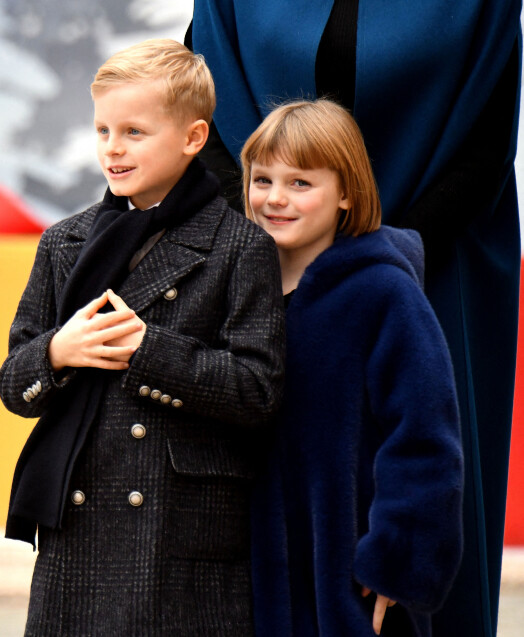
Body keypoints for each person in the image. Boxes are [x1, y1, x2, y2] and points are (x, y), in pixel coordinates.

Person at [189, 3, 521, 635]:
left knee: (413, 465)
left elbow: (483, 148)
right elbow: (202, 118)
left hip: (434, 265)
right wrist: (270, 243)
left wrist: (377, 259)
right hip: (264, 263)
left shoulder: (485, 7)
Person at [0, 38, 285, 636]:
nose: (113, 149)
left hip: (183, 540)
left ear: (193, 138)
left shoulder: (240, 246)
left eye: (134, 131)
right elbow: (10, 383)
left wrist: (149, 350)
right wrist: (57, 352)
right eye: (103, 130)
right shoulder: (64, 243)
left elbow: (259, 391)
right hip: (76, 532)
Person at [241, 99, 463, 636]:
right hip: (248, 583)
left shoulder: (385, 293)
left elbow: (425, 437)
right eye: (262, 179)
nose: (275, 199)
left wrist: (398, 563)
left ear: (345, 192)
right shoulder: (241, 290)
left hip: (349, 583)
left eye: (300, 183)